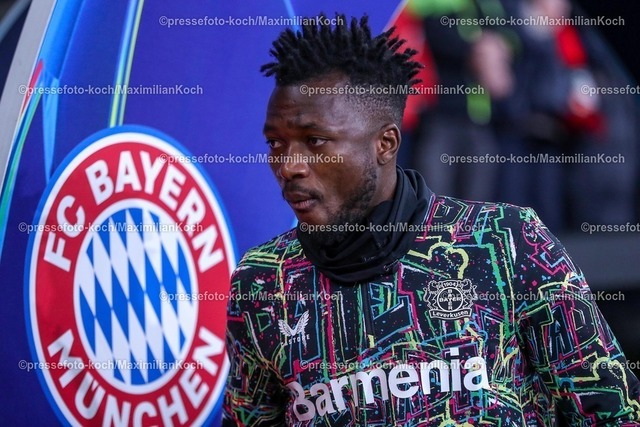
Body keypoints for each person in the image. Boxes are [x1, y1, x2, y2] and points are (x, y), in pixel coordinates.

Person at [222, 14, 640, 426]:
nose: (288, 165)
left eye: (315, 141)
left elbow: (613, 411)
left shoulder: (507, 242)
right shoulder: (262, 281)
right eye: (275, 143)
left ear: (385, 144)